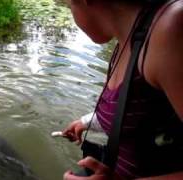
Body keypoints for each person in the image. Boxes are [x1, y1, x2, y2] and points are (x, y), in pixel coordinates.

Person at [62, 0, 183, 179]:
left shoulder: (172, 29)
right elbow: (138, 114)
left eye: (69, 5)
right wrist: (86, 122)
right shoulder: (128, 39)